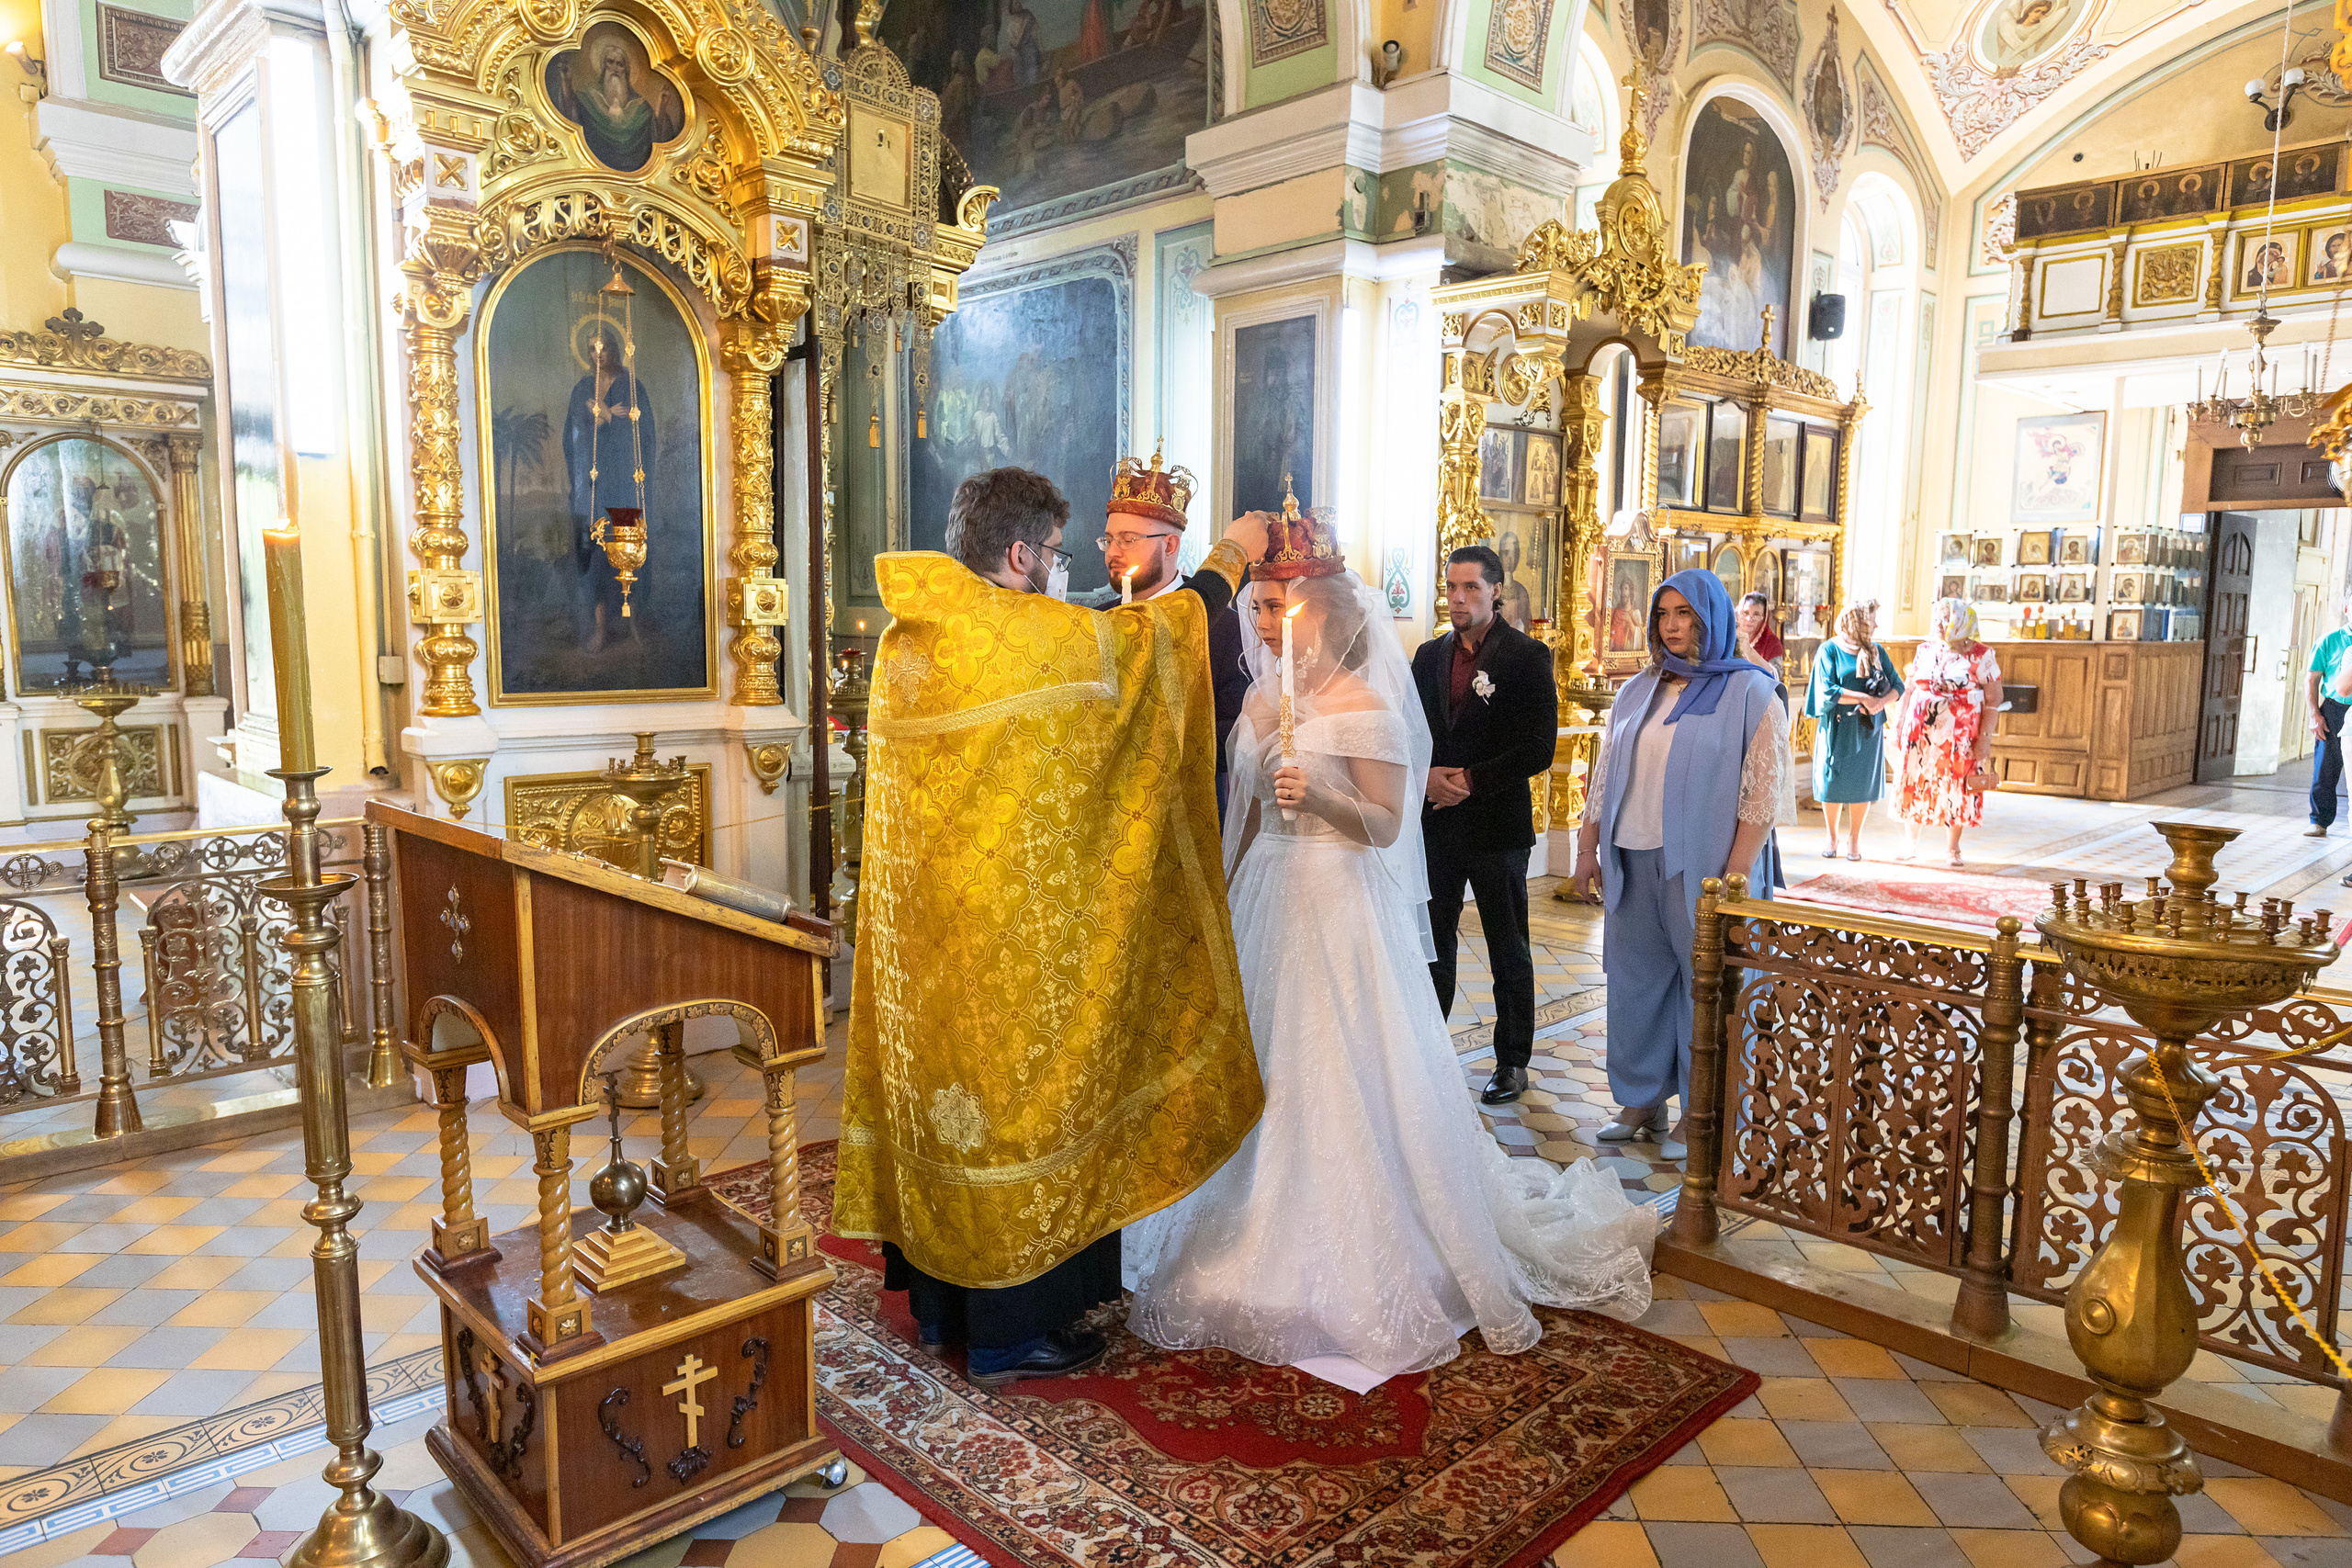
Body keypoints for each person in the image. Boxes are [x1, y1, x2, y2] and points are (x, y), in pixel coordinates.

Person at [1124, 521, 1656, 1381]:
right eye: (1261, 609)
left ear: (1325, 616)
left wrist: (1321, 796)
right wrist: (1220, 895)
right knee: (1260, 1061)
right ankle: (1239, 1223)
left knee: (1338, 1063)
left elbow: (1381, 824)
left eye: (1282, 609)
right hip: (1267, 896)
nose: (1268, 625)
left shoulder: (1364, 708)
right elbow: (1246, 818)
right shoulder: (1259, 704)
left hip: (1338, 898)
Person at [837, 468, 1275, 1390]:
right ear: (1018, 552)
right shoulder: (1031, 639)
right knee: (1020, 1116)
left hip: (926, 949)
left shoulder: (910, 638)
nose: (1055, 567)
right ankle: (1009, 1334)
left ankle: (942, 1309)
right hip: (1009, 952)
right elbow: (1156, 640)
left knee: (949, 1116)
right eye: (1051, 552)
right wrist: (1232, 555)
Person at [1568, 571, 1793, 1160]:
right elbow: (1604, 777)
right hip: (1632, 855)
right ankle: (1641, 1100)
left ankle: (1703, 1112)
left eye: (1684, 613)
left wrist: (1734, 883)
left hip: (1708, 871)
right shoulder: (1637, 690)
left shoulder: (1752, 692)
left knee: (1706, 989)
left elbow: (1762, 797)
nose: (1671, 626)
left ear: (1711, 616)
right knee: (1636, 981)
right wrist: (1587, 850)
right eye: (1662, 614)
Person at [1413, 545, 1561, 1107]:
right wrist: (1426, 778)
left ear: (1496, 591)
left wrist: (1472, 780)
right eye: (1451, 587)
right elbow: (1409, 732)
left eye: (1470, 587)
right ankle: (1430, 1052)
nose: (1457, 598)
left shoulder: (1526, 657)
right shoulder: (1428, 656)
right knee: (1434, 944)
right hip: (1437, 824)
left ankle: (1512, 1060)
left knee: (1507, 946)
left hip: (1497, 826)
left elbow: (1538, 747)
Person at [1077, 447, 1253, 818]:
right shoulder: (1098, 621)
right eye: (1108, 540)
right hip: (1110, 811)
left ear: (1170, 545)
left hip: (1190, 809)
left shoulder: (1224, 626)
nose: (1113, 552)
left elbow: (1238, 731)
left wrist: (1150, 735)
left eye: (1128, 539)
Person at [1893, 597, 2004, 869]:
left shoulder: (1981, 655)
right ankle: (1910, 844)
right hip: (1919, 733)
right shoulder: (1925, 650)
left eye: (1947, 618)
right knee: (1915, 781)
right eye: (1938, 618)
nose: (1941, 624)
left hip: (1960, 736)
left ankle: (1953, 848)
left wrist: (1985, 738)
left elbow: (1994, 700)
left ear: (1962, 621)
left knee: (1957, 787)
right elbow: (1908, 690)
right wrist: (1897, 726)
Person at [1808, 601, 1899, 860]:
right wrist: (1863, 698)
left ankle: (1855, 840)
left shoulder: (1876, 651)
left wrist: (1879, 702)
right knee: (1831, 783)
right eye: (1871, 620)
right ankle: (1832, 836)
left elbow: (1898, 686)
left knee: (1862, 784)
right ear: (1855, 622)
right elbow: (1827, 690)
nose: (1876, 625)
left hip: (1867, 728)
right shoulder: (1829, 649)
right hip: (1837, 726)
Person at [2306, 597, 2352, 837]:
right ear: (2346, 608)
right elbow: (2312, 678)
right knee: (2325, 767)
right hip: (2335, 709)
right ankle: (2319, 820)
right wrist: (2314, 713)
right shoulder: (2330, 640)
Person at [1736, 591, 1783, 666]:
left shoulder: (1772, 644)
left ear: (1764, 619)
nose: (1749, 619)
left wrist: (1749, 652)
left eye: (1756, 614)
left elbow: (1775, 672)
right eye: (1746, 613)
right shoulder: (1730, 638)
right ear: (1738, 614)